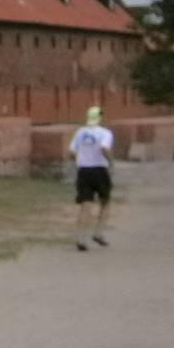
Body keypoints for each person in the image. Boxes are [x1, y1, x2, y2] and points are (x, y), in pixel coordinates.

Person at [69, 105, 114, 251]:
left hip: (84, 170)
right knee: (105, 201)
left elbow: (72, 151)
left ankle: (80, 238)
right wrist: (110, 162)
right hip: (99, 169)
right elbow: (104, 148)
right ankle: (98, 233)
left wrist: (79, 162)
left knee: (85, 205)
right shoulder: (105, 133)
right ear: (100, 117)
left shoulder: (80, 132)